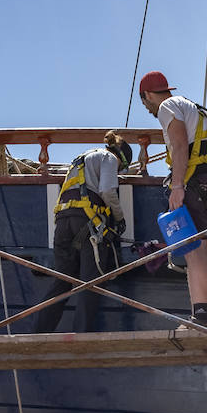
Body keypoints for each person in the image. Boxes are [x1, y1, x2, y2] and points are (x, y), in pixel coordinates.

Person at [138, 71, 207, 327]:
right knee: (200, 251)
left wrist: (177, 186)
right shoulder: (196, 109)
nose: (147, 109)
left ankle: (200, 317)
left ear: (147, 95)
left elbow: (179, 146)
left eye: (145, 103)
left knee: (193, 252)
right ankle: (200, 313)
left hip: (195, 185)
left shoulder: (167, 107)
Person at [33, 131, 132, 333]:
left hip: (63, 221)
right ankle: (81, 335)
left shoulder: (82, 158)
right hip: (87, 222)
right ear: (121, 159)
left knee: (62, 281)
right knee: (91, 283)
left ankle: (40, 332)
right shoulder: (109, 159)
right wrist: (120, 218)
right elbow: (106, 190)